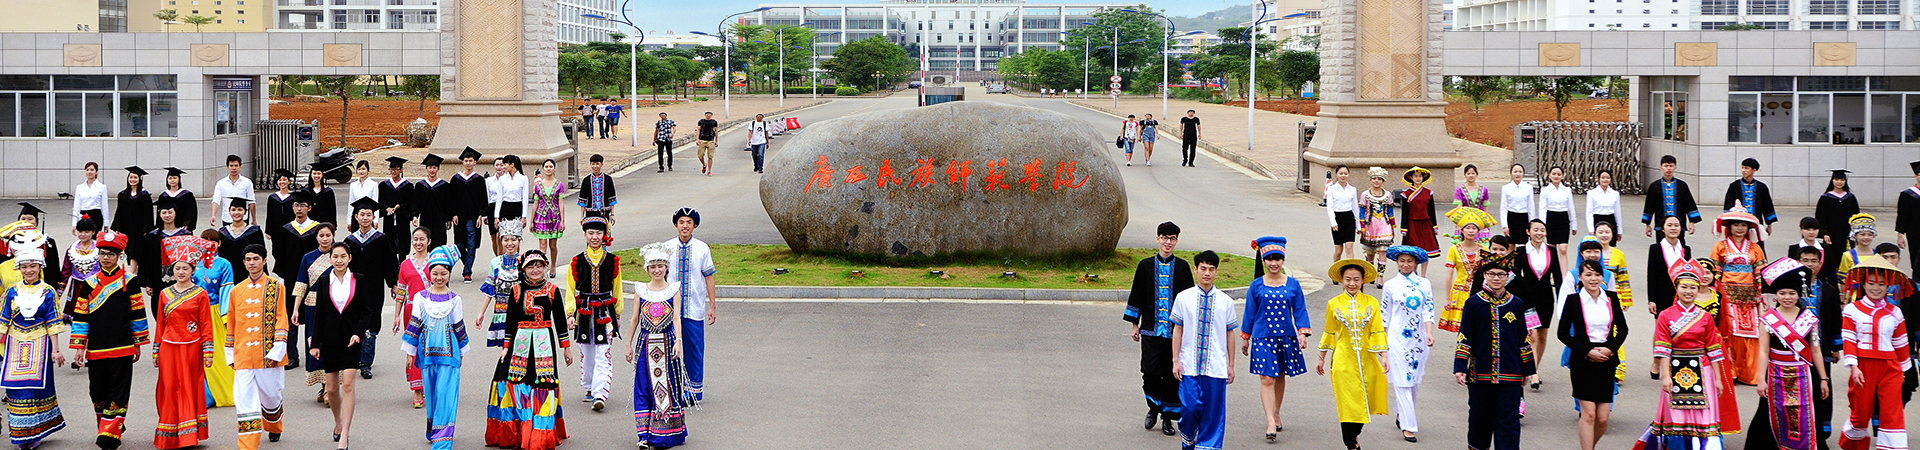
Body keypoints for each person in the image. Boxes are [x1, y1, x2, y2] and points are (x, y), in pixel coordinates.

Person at [1634, 259, 1742, 450]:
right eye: (1684, 286)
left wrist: (1718, 378)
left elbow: (1713, 349)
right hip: (1675, 369)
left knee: (1705, 415)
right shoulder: (1665, 315)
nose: (1688, 291)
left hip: (1703, 370)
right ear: (1676, 288)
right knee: (1676, 415)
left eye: (1693, 287)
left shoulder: (1706, 317)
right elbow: (1663, 348)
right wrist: (1666, 376)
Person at [481, 249, 572, 450]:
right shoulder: (516, 290)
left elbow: (560, 322)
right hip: (519, 344)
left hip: (544, 344)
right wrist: (506, 347)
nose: (535, 269)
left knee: (542, 383)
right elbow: (510, 322)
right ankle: (517, 432)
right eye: (530, 266)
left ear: (545, 267)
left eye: (539, 265)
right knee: (515, 381)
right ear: (523, 269)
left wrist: (566, 348)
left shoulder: (552, 290)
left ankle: (541, 434)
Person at [67, 230, 148, 449]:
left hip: (122, 347)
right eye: (102, 253)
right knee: (98, 391)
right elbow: (80, 316)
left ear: (119, 256)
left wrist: (138, 343)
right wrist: (78, 348)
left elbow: (138, 312)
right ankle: (108, 424)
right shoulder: (89, 283)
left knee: (118, 391)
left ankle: (110, 433)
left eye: (111, 254)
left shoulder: (130, 281)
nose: (106, 258)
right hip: (96, 348)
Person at [1743, 258, 1827, 450]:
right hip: (1775, 374)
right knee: (1772, 413)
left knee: (1806, 414)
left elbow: (1815, 349)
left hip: (1804, 375)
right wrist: (1761, 380)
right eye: (1782, 293)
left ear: (1799, 295)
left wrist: (1823, 378)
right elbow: (1763, 351)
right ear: (1776, 295)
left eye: (1792, 293)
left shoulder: (1809, 318)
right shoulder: (1768, 319)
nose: (1787, 297)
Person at [1454, 251, 1531, 450]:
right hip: (1481, 373)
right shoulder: (1473, 303)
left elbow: (1524, 339)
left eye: (1501, 274)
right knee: (1480, 419)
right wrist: (1461, 366)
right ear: (1485, 275)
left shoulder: (1516, 304)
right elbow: (1465, 336)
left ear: (1508, 277)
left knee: (1509, 421)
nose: (1496, 278)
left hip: (1511, 373)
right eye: (1492, 274)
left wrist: (1527, 370)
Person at [2, 229, 70, 450]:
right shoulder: (11, 292)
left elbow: (53, 321)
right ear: (19, 268)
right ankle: (21, 433)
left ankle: (35, 432)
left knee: (36, 389)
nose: (28, 270)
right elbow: (3, 320)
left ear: (40, 267)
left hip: (40, 344)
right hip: (14, 345)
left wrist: (56, 350)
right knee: (15, 389)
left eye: (33, 266)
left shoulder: (48, 292)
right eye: (24, 266)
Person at [1124, 221, 1192, 436]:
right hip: (1151, 329)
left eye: (1172, 238)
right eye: (1164, 237)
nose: (1168, 242)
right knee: (1150, 372)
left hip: (1175, 333)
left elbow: (1188, 300)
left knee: (1172, 375)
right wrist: (1135, 324)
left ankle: (1167, 418)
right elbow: (1137, 294)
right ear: (1157, 239)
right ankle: (1153, 408)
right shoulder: (1145, 265)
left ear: (1176, 241)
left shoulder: (1182, 267)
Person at [1836, 256, 1911, 450]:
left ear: (1888, 287)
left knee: (1892, 413)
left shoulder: (1895, 312)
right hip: (1862, 366)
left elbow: (1900, 343)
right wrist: (1854, 367)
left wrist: (1905, 371)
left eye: (1880, 284)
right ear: (1863, 284)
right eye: (1870, 283)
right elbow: (1849, 339)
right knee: (1860, 413)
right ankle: (1854, 445)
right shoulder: (1852, 309)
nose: (1875, 288)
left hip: (1890, 367)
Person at [402, 245, 470, 450]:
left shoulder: (455, 299)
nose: (439, 277)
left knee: (446, 395)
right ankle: (434, 430)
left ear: (449, 274)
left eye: (444, 273)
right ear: (429, 273)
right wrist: (409, 352)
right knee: (431, 396)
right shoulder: (421, 298)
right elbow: (414, 324)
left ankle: (443, 440)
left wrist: (462, 352)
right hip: (427, 354)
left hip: (450, 357)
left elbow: (459, 327)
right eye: (435, 273)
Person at [1238, 236, 1306, 442]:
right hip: (1262, 337)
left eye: (1277, 259)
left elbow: (1300, 310)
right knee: (1267, 378)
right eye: (1269, 259)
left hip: (1285, 336)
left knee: (1280, 376)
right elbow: (1249, 313)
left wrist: (1302, 332)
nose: (1274, 263)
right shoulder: (1256, 285)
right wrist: (1245, 337)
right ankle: (1269, 420)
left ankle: (1276, 412)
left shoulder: (1293, 285)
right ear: (1264, 261)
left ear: (1283, 260)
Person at [1557, 259, 1628, 450]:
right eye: (1588, 274)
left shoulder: (1611, 298)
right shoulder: (1573, 300)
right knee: (1588, 414)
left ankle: (1591, 446)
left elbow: (1622, 329)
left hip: (1606, 360)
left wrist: (1610, 349)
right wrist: (1587, 351)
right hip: (1582, 361)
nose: (1593, 278)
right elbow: (1562, 333)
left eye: (1597, 274)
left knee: (1603, 418)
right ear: (1579, 277)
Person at [626, 242, 691, 448]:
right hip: (645, 344)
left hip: (667, 342)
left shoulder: (673, 290)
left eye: (660, 266)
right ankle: (644, 435)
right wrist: (628, 344)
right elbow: (634, 319)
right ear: (647, 268)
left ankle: (665, 432)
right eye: (652, 266)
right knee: (644, 386)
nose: (656, 270)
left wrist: (678, 341)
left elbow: (677, 319)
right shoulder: (640, 290)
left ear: (666, 268)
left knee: (667, 386)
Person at [223, 244, 288, 450]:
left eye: (256, 258)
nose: (252, 262)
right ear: (243, 262)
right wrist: (230, 351)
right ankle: (247, 445)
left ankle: (274, 425)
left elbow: (281, 317)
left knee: (271, 396)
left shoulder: (276, 287)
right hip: (243, 354)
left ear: (264, 261)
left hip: (268, 353)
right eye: (248, 259)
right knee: (244, 401)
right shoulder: (236, 290)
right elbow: (231, 321)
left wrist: (278, 348)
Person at [1318, 258, 1387, 450]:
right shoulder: (1334, 303)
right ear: (1341, 279)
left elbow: (1377, 330)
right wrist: (1322, 357)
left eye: (1356, 279)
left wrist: (1384, 355)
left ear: (1363, 280)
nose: (1352, 283)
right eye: (1348, 279)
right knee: (1348, 402)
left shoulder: (1371, 302)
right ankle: (1350, 443)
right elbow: (1329, 332)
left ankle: (1354, 435)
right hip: (1342, 361)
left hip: (1367, 359)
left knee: (1365, 399)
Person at [151, 236, 214, 450]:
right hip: (168, 345)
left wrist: (208, 352)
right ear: (172, 270)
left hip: (192, 346)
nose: (181, 272)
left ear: (192, 270)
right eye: (177, 268)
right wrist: (156, 349)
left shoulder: (200, 294)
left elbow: (206, 324)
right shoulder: (164, 294)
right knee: (168, 387)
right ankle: (168, 432)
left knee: (188, 387)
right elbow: (160, 323)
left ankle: (188, 435)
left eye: (185, 268)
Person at [1172, 251, 1236, 450]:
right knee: (1190, 408)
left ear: (1216, 272)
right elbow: (1178, 329)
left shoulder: (1226, 301)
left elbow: (1230, 334)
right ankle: (1189, 439)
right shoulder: (1183, 298)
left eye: (1211, 269)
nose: (1207, 273)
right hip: (1189, 365)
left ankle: (1207, 447)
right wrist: (1175, 360)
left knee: (1213, 414)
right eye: (1203, 269)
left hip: (1215, 367)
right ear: (1195, 270)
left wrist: (1231, 365)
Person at [1380, 246, 1435, 443]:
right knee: (1402, 381)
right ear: (1397, 261)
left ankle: (1401, 412)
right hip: (1396, 338)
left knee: (1412, 381)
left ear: (1416, 263)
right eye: (1402, 260)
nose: (1405, 264)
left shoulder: (1424, 284)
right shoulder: (1390, 285)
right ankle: (1409, 426)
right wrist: (1382, 342)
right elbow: (1384, 315)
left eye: (1410, 261)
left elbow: (1428, 310)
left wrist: (1428, 333)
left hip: (1419, 339)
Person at [569, 217, 623, 411]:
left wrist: (618, 313)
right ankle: (590, 386)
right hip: (583, 311)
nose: (594, 237)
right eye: (591, 233)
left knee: (603, 352)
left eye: (598, 233)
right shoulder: (577, 261)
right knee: (587, 352)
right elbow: (570, 289)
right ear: (585, 235)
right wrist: (569, 314)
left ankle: (600, 394)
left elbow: (617, 288)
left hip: (605, 311)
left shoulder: (612, 260)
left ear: (604, 235)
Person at [664, 208, 717, 404]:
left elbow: (709, 277)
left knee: (694, 349)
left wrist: (712, 305)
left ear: (695, 225)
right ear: (676, 225)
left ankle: (693, 391)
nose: (685, 225)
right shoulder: (667, 247)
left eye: (689, 222)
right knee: (670, 348)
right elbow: (659, 275)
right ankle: (672, 388)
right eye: (681, 222)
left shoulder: (703, 248)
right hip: (670, 310)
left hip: (694, 308)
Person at [1712, 206, 1769, 386]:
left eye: (1743, 225)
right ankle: (1732, 370)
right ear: (1729, 227)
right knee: (1731, 331)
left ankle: (1750, 372)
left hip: (1750, 296)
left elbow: (1760, 272)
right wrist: (1715, 293)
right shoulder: (1720, 247)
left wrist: (1763, 293)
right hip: (1727, 295)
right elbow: (1715, 272)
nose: (1739, 228)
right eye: (1736, 224)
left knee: (1752, 334)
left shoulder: (1755, 248)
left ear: (1748, 228)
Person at [341, 199, 395, 379]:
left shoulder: (381, 240)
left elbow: (390, 264)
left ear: (373, 217)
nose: (365, 218)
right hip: (353, 288)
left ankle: (365, 363)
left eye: (368, 215)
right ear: (356, 217)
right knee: (353, 322)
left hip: (374, 288)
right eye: (362, 215)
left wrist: (393, 284)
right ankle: (354, 358)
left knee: (371, 324)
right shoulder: (350, 241)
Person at [1511, 219, 1561, 391]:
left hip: (1546, 298)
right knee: (1531, 335)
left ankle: (1534, 368)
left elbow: (1558, 276)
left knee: (1543, 335)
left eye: (1542, 230)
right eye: (1536, 229)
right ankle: (1534, 372)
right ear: (1528, 232)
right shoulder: (1521, 251)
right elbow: (1516, 277)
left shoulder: (1551, 251)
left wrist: (1562, 299)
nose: (1539, 233)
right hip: (1528, 299)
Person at [290, 223, 337, 399]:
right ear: (316, 237)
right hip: (312, 306)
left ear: (333, 236)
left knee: (331, 343)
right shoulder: (308, 258)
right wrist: (296, 309)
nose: (325, 239)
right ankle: (324, 384)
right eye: (321, 236)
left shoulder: (338, 256)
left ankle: (330, 387)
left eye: (328, 235)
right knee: (314, 342)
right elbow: (301, 284)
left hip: (334, 305)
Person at [193, 229, 236, 408]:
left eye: (213, 241)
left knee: (215, 353)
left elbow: (226, 290)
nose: (209, 244)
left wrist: (226, 317)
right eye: (205, 241)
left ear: (219, 244)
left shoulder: (224, 264)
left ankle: (216, 392)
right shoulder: (193, 262)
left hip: (214, 311)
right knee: (195, 353)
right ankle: (198, 392)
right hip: (193, 312)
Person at [392, 228, 433, 408]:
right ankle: (417, 389)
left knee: (431, 346)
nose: (418, 242)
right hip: (411, 311)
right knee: (414, 348)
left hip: (433, 310)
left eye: (422, 239)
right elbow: (401, 291)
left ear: (428, 241)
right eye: (415, 239)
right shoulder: (405, 265)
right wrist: (397, 315)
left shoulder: (436, 262)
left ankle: (430, 384)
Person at [1440, 206, 1495, 333]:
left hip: (1478, 290)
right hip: (1459, 292)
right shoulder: (1454, 249)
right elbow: (1449, 274)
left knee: (1479, 325)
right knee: (1462, 327)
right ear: (1462, 230)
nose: (1471, 231)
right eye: (1468, 228)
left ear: (1478, 231)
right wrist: (1447, 298)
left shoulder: (1483, 250)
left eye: (1474, 228)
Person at [139, 196, 195, 297]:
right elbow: (147, 262)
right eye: (164, 212)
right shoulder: (152, 237)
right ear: (159, 215)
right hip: (158, 280)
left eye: (170, 212)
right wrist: (148, 283)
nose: (167, 215)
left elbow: (190, 259)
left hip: (181, 279)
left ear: (175, 213)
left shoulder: (185, 235)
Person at [1642, 155, 1702, 241]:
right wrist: (1647, 225)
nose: (1668, 169)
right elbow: (1649, 206)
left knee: (1680, 248)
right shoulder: (1654, 186)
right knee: (1662, 249)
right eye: (1666, 166)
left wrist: (1692, 222)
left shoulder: (1682, 185)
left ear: (1675, 168)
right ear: (1661, 168)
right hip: (1661, 225)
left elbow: (1689, 204)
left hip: (1679, 225)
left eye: (1671, 166)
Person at [451, 147, 488, 283]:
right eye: (466, 160)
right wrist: (453, 214)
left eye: (470, 160)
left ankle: (467, 272)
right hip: (459, 217)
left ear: (475, 162)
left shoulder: (478, 180)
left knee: (471, 245)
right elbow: (452, 199)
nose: (468, 163)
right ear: (463, 162)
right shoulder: (456, 179)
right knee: (460, 245)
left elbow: (483, 199)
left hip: (473, 218)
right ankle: (467, 263)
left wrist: (480, 215)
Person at [215, 198, 265, 293]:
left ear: (245, 212)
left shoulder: (255, 231)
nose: (236, 213)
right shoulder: (223, 232)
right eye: (233, 210)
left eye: (240, 209)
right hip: (228, 276)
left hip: (248, 273)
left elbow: (261, 254)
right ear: (229, 212)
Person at [1359, 167, 1398, 282]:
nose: (1376, 181)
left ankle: (1380, 276)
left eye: (1379, 179)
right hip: (1370, 225)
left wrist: (1392, 225)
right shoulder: (1365, 195)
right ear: (1370, 180)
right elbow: (1362, 211)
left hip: (1383, 224)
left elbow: (1390, 211)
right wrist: (1361, 226)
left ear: (1383, 181)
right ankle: (1371, 273)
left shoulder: (1388, 195)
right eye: (1374, 178)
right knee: (1370, 253)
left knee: (1383, 250)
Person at [1723, 158, 1778, 239]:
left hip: (1756, 223)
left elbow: (1767, 206)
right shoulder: (1734, 186)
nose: (1743, 170)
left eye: (1746, 168)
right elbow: (1728, 205)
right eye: (1742, 168)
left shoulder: (1761, 187)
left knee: (1757, 248)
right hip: (1738, 224)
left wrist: (1769, 225)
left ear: (1754, 170)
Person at [1400, 167, 1440, 276]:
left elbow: (1431, 211)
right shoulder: (1406, 194)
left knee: (1425, 249)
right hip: (1412, 224)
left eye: (1420, 176)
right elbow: (1404, 212)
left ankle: (1423, 274)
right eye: (1415, 176)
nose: (1418, 178)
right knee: (1413, 250)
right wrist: (1404, 228)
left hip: (1425, 223)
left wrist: (1434, 226)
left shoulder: (1428, 193)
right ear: (1411, 178)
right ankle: (1414, 272)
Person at [412, 154, 455, 247]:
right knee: (425, 243)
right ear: (426, 169)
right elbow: (416, 202)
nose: (432, 170)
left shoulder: (444, 186)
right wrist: (415, 216)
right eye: (430, 167)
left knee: (439, 243)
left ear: (438, 169)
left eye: (434, 167)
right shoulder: (420, 186)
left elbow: (448, 203)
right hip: (425, 219)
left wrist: (448, 219)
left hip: (439, 220)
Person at [529, 159, 566, 259]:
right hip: (541, 217)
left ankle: (553, 266)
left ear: (554, 168)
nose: (548, 169)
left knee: (553, 246)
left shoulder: (559, 184)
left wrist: (562, 220)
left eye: (550, 166)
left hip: (554, 217)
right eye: (546, 167)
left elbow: (561, 203)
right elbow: (535, 203)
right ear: (543, 169)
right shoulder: (538, 185)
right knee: (542, 245)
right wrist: (532, 221)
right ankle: (543, 269)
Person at [378, 157, 414, 253]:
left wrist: (401, 207)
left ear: (401, 170)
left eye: (397, 169)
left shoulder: (407, 186)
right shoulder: (384, 186)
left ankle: (402, 266)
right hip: (389, 221)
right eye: (391, 169)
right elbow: (380, 201)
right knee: (389, 246)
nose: (393, 171)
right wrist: (386, 208)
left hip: (402, 220)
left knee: (402, 246)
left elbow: (410, 202)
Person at [493, 155, 528, 253]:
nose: (503, 166)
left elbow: (525, 198)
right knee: (503, 236)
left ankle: (516, 260)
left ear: (512, 165)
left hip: (517, 207)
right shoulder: (503, 179)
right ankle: (502, 259)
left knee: (515, 237)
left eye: (505, 164)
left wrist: (524, 216)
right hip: (505, 208)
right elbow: (499, 198)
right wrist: (496, 216)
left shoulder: (523, 179)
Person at [1816, 170, 1859, 247]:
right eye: (1836, 179)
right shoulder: (1825, 198)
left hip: (1847, 234)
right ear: (1832, 180)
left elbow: (1856, 216)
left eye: (1842, 180)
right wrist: (1825, 233)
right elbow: (1821, 217)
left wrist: (1856, 232)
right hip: (1831, 234)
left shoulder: (1850, 198)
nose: (1839, 182)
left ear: (1845, 181)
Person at [210, 155, 255, 227]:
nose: (234, 168)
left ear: (240, 167)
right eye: (231, 165)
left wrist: (254, 219)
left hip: (243, 218)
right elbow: (216, 200)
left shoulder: (247, 182)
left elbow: (251, 201)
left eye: (236, 165)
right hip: (227, 218)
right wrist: (213, 215)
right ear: (227, 167)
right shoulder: (221, 183)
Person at [112, 166, 154, 240]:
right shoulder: (122, 194)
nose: (132, 180)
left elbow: (148, 213)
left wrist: (146, 228)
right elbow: (119, 211)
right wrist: (118, 226)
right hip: (125, 227)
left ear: (139, 179)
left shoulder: (144, 195)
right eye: (131, 177)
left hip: (139, 228)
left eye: (135, 177)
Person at [1327, 165, 1359, 261]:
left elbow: (1355, 207)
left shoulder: (1352, 189)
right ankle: (1336, 271)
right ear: (1336, 174)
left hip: (1349, 218)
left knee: (1349, 248)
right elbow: (1330, 207)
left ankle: (1350, 270)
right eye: (1341, 173)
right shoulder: (1331, 189)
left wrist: (1358, 225)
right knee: (1338, 250)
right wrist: (1333, 222)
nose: (1343, 176)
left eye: (1345, 173)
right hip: (1338, 218)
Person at [1499, 164, 1537, 243]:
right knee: (1510, 244)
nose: (1517, 174)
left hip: (1524, 217)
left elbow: (1531, 206)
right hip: (1511, 217)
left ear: (1523, 173)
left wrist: (1532, 223)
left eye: (1520, 172)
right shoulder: (1506, 188)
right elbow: (1503, 206)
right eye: (1515, 172)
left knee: (1524, 244)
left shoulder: (1528, 187)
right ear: (1511, 173)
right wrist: (1505, 225)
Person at [578, 154, 617, 222]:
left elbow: (611, 198)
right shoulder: (586, 180)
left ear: (602, 164)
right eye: (593, 164)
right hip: (590, 212)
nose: (595, 166)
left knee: (603, 232)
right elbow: (583, 199)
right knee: (592, 231)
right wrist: (582, 216)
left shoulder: (608, 179)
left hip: (604, 212)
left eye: (597, 164)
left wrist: (612, 214)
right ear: (590, 165)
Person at [158, 167, 198, 232]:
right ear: (167, 180)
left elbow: (191, 211)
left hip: (182, 226)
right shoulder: (163, 196)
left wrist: (187, 224)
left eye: (175, 178)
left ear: (179, 179)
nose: (172, 180)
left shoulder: (187, 195)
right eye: (170, 178)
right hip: (167, 227)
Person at [263, 170, 296, 248]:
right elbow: (270, 214)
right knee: (277, 249)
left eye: (284, 179)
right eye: (280, 180)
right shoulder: (273, 197)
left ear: (289, 182)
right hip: (276, 229)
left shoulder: (293, 197)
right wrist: (268, 230)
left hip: (291, 228)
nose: (282, 182)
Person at [1898, 160, 1920, 276]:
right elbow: (1902, 216)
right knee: (1916, 259)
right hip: (1915, 232)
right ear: (1916, 176)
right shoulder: (1908, 194)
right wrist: (1900, 235)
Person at [74, 162, 109, 229]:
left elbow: (104, 206)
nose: (89, 172)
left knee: (95, 238)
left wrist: (106, 224)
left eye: (92, 170)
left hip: (96, 216)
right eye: (87, 170)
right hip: (83, 215)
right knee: (84, 237)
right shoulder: (80, 187)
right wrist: (74, 223)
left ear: (96, 172)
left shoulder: (102, 187)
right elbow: (76, 206)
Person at [1586, 169, 1621, 235]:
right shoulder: (1592, 193)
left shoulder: (1615, 194)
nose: (1605, 180)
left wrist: (1619, 231)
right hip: (1597, 219)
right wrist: (1591, 229)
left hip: (1611, 220)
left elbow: (1618, 213)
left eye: (1608, 178)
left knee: (1611, 244)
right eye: (1603, 178)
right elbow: (1589, 212)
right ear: (1598, 179)